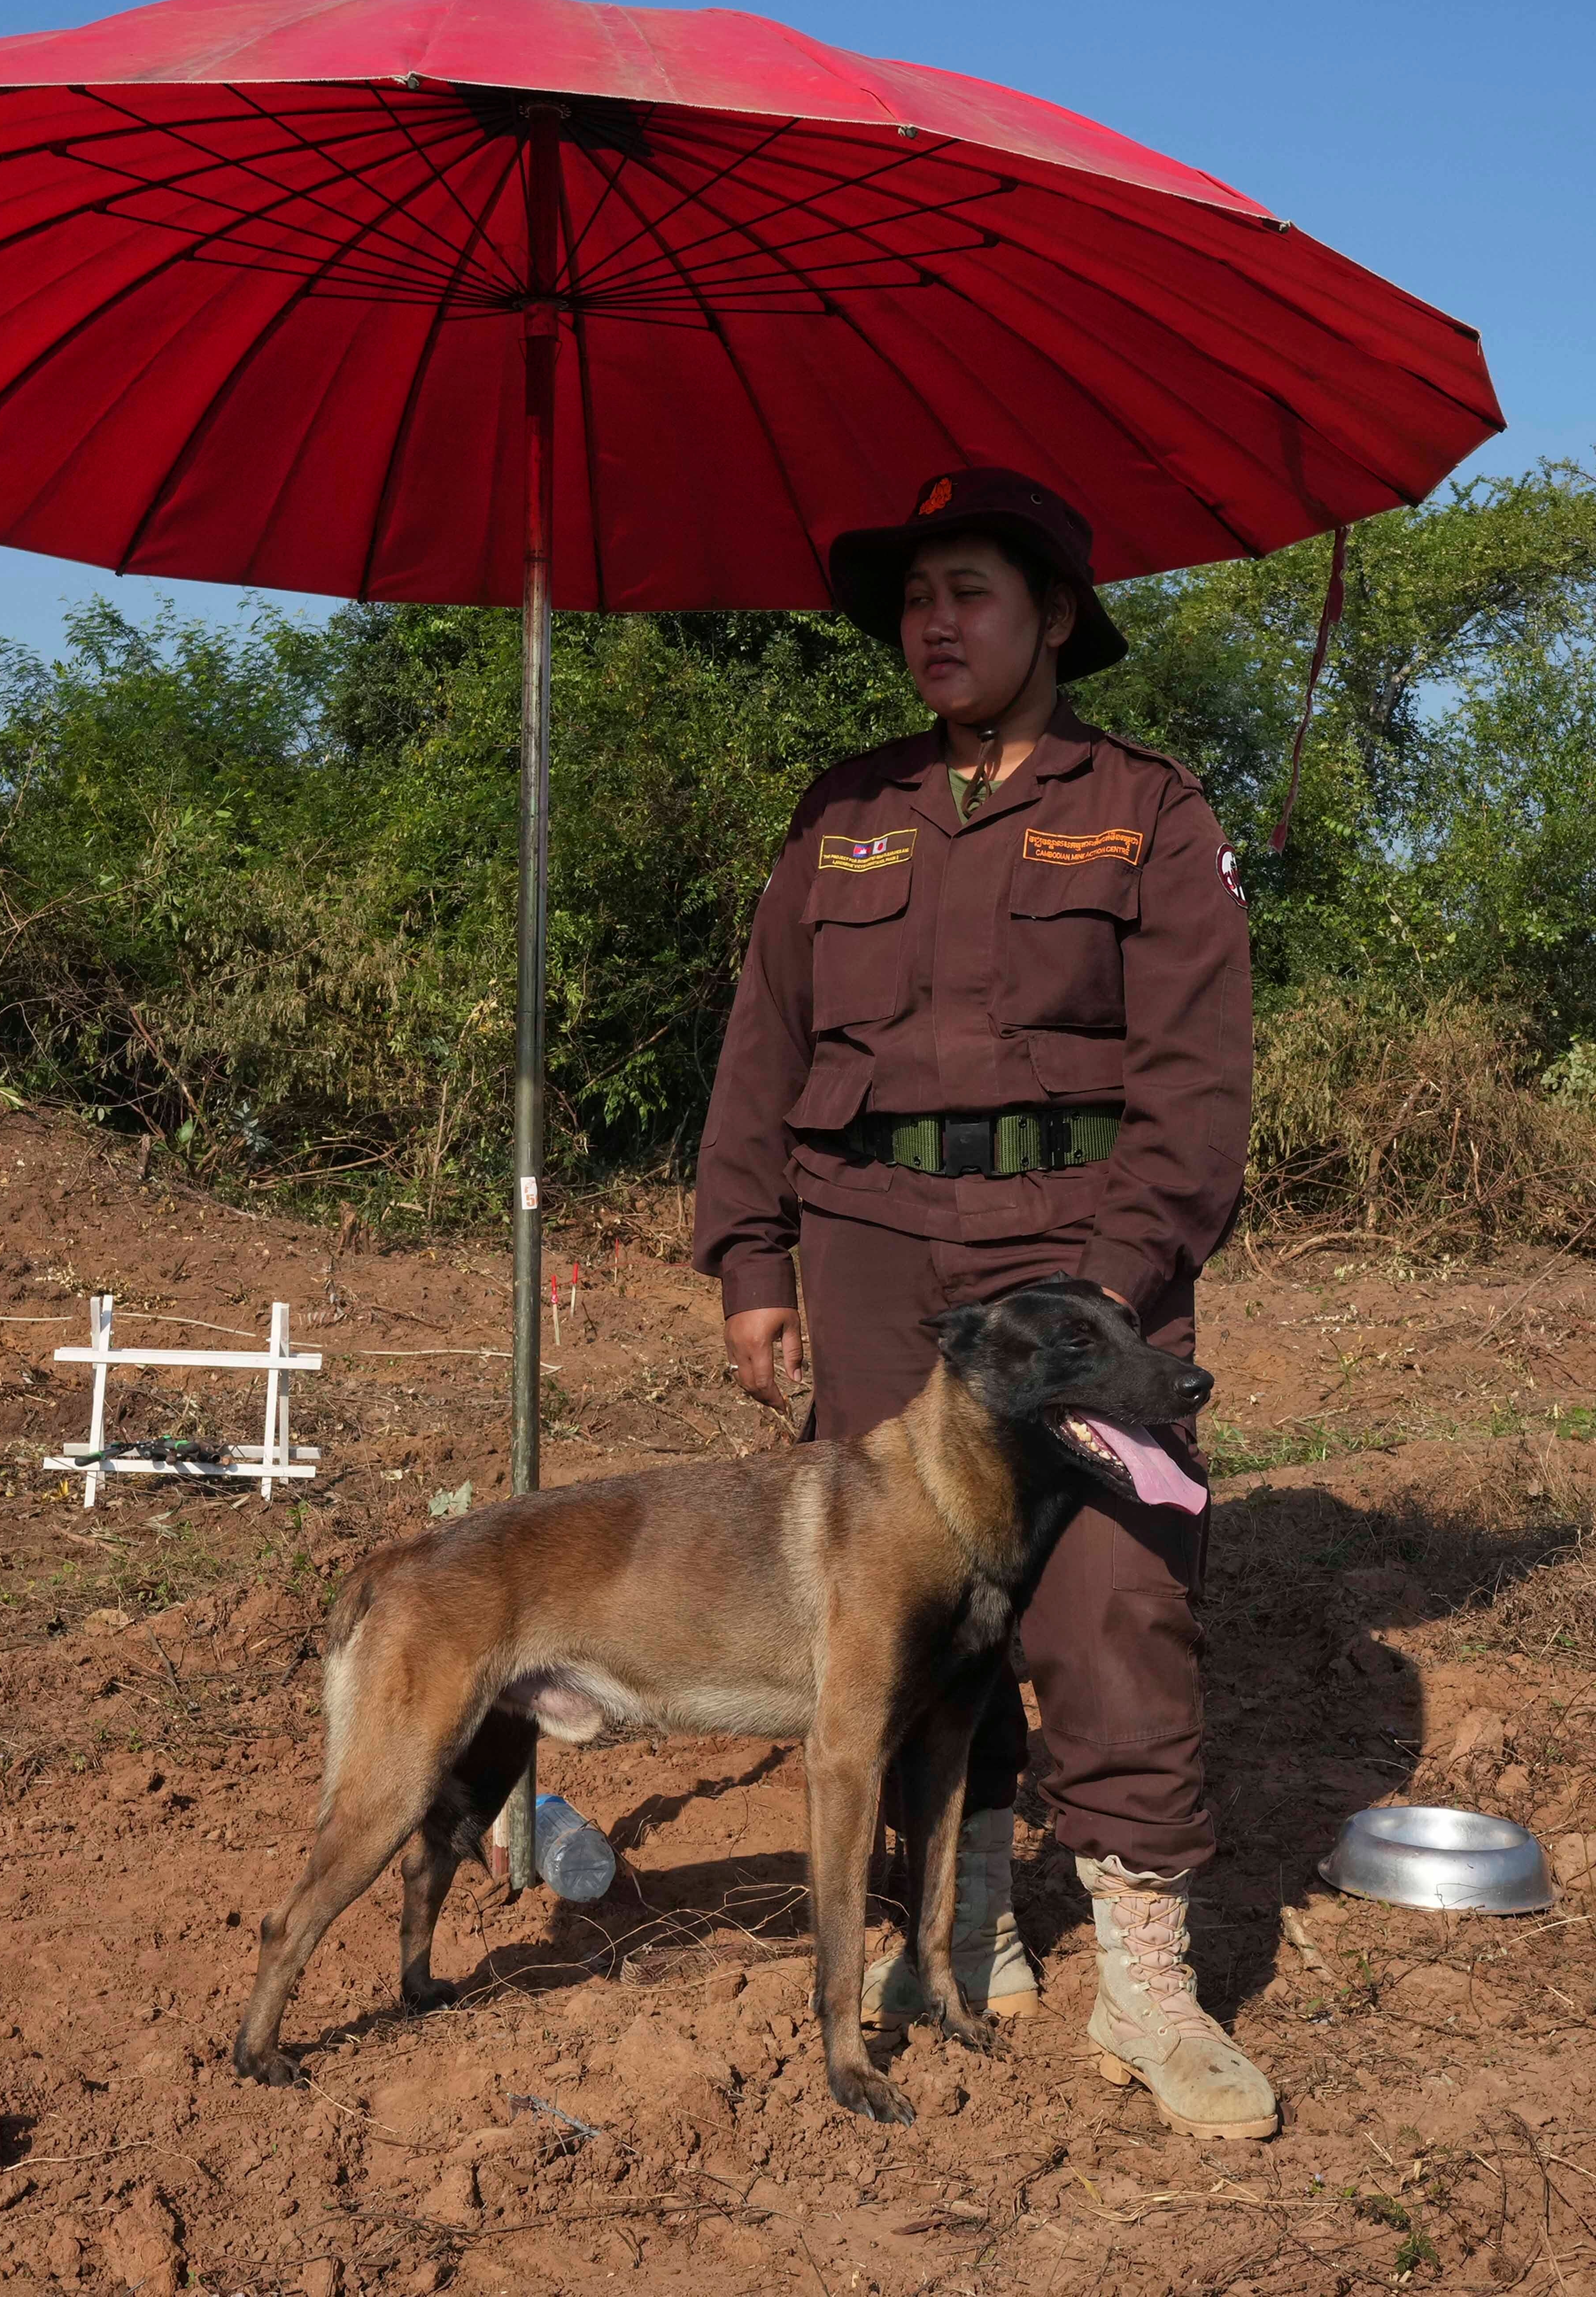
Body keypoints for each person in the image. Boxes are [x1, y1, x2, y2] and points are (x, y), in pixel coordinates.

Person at [690, 467, 1270, 2141]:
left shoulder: (1146, 812)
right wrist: (752, 1263)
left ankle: (1151, 1979)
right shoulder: (842, 813)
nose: (933, 626)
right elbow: (762, 1056)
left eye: (971, 595)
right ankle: (964, 1914)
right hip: (869, 1249)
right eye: (914, 599)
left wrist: (1112, 1289)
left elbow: (1196, 1088)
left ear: (1058, 618)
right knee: (903, 1615)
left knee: (1115, 1590)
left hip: (1076, 1252)